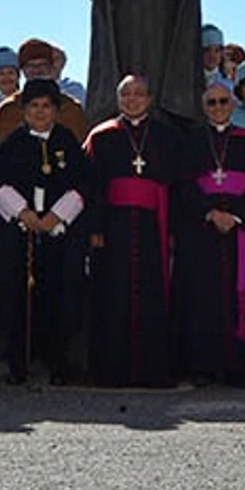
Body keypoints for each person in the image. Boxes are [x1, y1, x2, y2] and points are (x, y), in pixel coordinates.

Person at [0, 78, 92, 385]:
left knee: (62, 294)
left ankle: (59, 360)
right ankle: (19, 361)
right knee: (16, 294)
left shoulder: (68, 142)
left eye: (46, 106)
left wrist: (57, 216)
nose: (40, 112)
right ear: (24, 110)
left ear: (56, 111)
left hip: (59, 232)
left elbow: (84, 183)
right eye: (34, 106)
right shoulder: (12, 142)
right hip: (20, 231)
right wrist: (24, 213)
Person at [83, 74, 185, 387]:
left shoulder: (168, 136)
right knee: (114, 292)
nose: (132, 99)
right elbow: (92, 185)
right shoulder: (102, 136)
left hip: (154, 224)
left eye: (139, 93)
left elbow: (177, 186)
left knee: (152, 293)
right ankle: (112, 371)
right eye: (126, 94)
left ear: (150, 99)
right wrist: (96, 227)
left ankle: (152, 371)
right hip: (114, 227)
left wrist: (174, 228)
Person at [174, 79, 245, 386]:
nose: (218, 107)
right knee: (203, 298)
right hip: (201, 230)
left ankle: (238, 366)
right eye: (211, 102)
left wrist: (238, 215)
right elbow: (184, 185)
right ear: (204, 108)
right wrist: (211, 213)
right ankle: (204, 365)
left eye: (223, 101)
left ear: (233, 105)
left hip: (241, 230)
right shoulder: (190, 140)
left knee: (236, 297)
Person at [0, 39, 89, 148]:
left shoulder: (70, 108)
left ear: (51, 67)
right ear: (23, 70)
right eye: (30, 66)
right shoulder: (9, 109)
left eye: (42, 65)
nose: (37, 70)